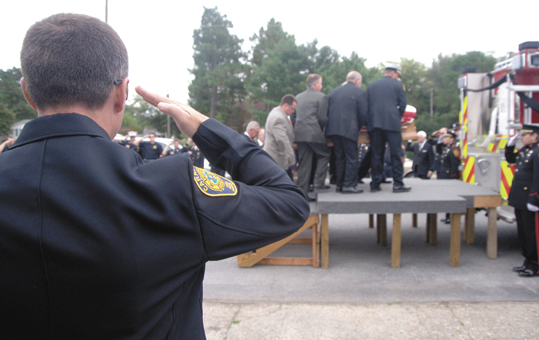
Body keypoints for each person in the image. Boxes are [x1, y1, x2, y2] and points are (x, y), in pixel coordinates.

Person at [0, 13, 310, 339]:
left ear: (28, 92)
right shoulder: (169, 188)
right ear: (121, 93)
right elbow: (289, 204)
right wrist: (207, 129)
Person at [504, 124, 539, 277]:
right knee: (523, 233)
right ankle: (528, 261)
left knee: (533, 234)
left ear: (534, 136)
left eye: (524, 135)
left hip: (530, 200)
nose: (521, 137)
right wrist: (510, 145)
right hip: (520, 198)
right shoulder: (526, 150)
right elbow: (511, 159)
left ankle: (536, 265)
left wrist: (534, 199)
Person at [367, 64, 410, 193]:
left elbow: (367, 105)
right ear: (393, 73)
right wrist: (396, 117)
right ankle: (398, 184)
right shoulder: (398, 85)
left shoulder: (371, 85)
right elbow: (402, 105)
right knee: (396, 154)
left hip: (375, 124)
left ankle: (375, 183)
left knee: (376, 154)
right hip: (392, 124)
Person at [325, 71, 368, 193]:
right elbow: (363, 114)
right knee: (351, 158)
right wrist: (357, 127)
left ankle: (339, 184)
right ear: (357, 80)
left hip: (333, 129)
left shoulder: (334, 91)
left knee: (339, 157)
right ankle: (349, 185)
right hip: (349, 129)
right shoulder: (360, 92)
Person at [294, 74, 331, 196]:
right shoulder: (321, 97)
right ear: (315, 84)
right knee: (324, 154)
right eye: (320, 83)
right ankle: (318, 182)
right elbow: (322, 118)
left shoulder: (298, 97)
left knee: (304, 162)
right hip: (314, 133)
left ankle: (302, 193)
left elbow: (293, 117)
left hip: (299, 134)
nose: (321, 86)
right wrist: (320, 130)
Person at [264, 94, 298, 182]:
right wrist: (292, 160)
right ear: (286, 105)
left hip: (275, 159)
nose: (293, 111)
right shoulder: (278, 118)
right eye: (292, 108)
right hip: (277, 160)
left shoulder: (276, 112)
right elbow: (282, 142)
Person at [436, 130, 461, 224]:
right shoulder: (446, 148)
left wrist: (454, 177)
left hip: (449, 176)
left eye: (446, 137)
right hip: (444, 175)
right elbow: (438, 150)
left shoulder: (454, 150)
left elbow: (454, 165)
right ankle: (447, 215)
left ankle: (451, 216)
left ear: (452, 139)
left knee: (451, 197)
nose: (444, 139)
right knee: (446, 196)